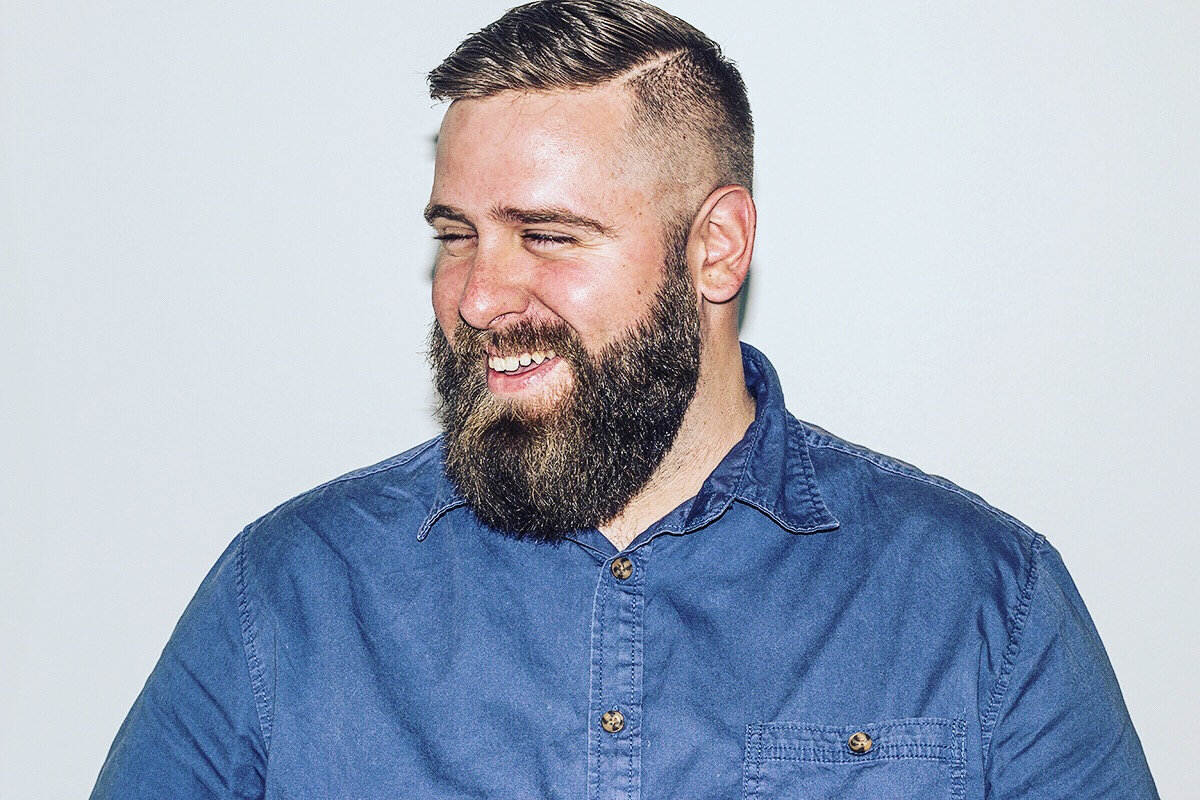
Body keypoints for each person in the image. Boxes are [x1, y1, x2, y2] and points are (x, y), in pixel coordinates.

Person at [91, 1, 1157, 797]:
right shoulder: (291, 594)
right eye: (457, 234)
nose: (478, 295)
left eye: (548, 235)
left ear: (717, 246)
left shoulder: (982, 601)